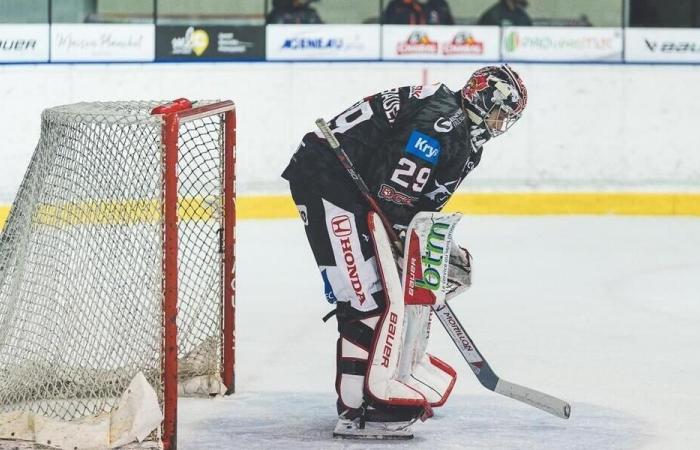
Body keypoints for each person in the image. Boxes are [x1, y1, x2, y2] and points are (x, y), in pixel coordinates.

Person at [281, 65, 527, 438]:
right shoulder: (441, 124)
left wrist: (421, 242)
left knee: (399, 285)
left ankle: (400, 370)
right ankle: (359, 408)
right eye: (500, 112)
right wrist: (401, 237)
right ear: (483, 97)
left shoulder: (459, 130)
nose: (500, 123)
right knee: (366, 297)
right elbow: (393, 192)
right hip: (329, 183)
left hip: (353, 189)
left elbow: (413, 197)